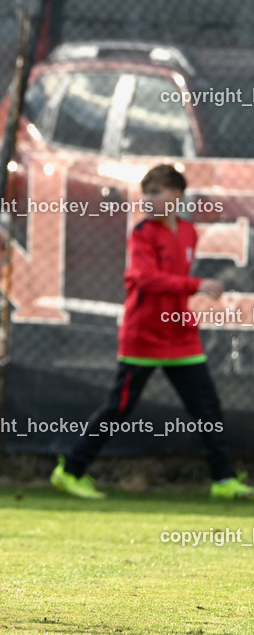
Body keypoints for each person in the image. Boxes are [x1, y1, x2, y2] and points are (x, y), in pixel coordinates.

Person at [51, 164, 253, 500]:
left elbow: (173, 281)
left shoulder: (188, 232)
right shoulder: (141, 234)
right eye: (145, 193)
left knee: (207, 409)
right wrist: (196, 285)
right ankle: (70, 471)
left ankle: (223, 480)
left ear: (177, 195)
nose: (148, 199)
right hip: (143, 336)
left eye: (156, 192)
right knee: (118, 408)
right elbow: (145, 279)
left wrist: (187, 297)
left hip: (181, 337)